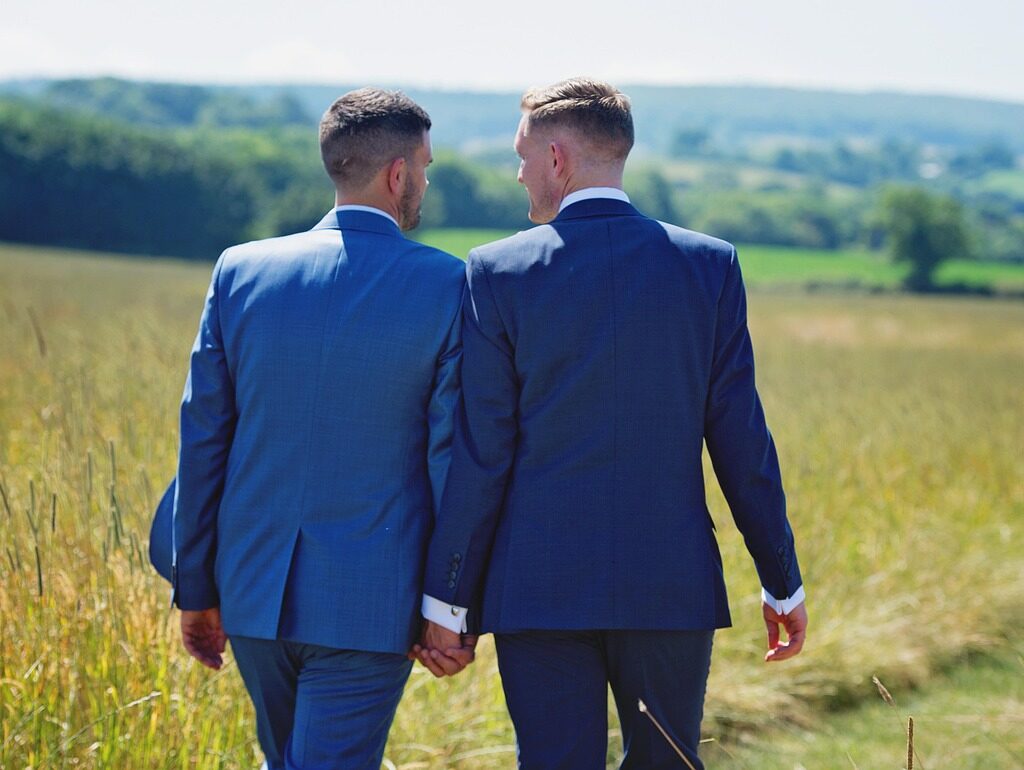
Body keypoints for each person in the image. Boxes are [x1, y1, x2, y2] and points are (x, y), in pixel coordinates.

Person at [415, 78, 808, 769]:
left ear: (558, 160)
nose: (518, 173)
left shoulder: (496, 272)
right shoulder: (709, 266)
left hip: (536, 586)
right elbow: (742, 442)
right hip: (670, 581)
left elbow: (482, 455)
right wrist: (781, 580)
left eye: (523, 155)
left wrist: (448, 601)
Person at [170, 87, 472, 770]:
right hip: (372, 601)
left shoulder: (240, 270)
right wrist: (449, 607)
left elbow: (203, 439)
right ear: (399, 174)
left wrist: (197, 588)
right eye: (423, 166)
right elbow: (451, 456)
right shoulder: (450, 284)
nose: (423, 180)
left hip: (249, 591)